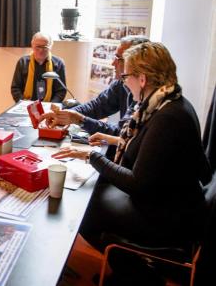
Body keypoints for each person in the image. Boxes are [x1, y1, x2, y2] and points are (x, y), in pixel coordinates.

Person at [52, 43, 211, 274]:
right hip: (172, 202)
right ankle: (129, 266)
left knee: (82, 207)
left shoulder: (167, 117)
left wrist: (93, 157)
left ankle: (134, 271)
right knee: (95, 189)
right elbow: (141, 148)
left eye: (126, 76)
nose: (124, 82)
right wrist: (105, 147)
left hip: (169, 217)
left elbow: (138, 183)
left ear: (143, 79)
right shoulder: (168, 104)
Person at [44, 35, 150, 135]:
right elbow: (97, 106)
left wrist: (81, 120)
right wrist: (65, 115)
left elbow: (122, 134)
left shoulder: (147, 98)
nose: (113, 63)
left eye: (119, 59)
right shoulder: (121, 84)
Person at [10, 32, 66, 103]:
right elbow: (15, 88)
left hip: (50, 107)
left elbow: (61, 90)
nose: (41, 50)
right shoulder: (22, 62)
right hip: (25, 106)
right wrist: (23, 104)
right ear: (32, 46)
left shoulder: (59, 63)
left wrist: (50, 106)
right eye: (38, 46)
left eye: (44, 47)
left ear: (50, 47)